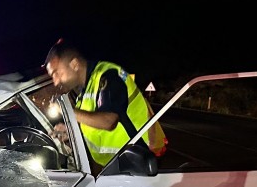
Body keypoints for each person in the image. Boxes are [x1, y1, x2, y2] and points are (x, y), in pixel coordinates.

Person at [43, 39, 167, 175]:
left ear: (74, 64)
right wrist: (69, 131)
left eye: (56, 73)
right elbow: (91, 121)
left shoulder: (108, 75)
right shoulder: (83, 93)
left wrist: (66, 111)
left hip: (141, 160)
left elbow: (109, 121)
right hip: (118, 166)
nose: (55, 82)